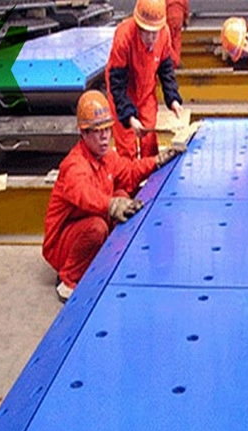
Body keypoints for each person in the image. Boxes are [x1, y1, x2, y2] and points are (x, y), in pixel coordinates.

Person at [43, 90, 181, 303]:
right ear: (84, 133)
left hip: (83, 227)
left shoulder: (106, 156)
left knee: (121, 193)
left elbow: (129, 171)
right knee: (97, 226)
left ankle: (104, 262)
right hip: (64, 242)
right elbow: (85, 195)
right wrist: (111, 204)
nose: (105, 136)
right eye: (98, 131)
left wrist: (156, 161)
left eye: (107, 129)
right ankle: (68, 280)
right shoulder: (74, 165)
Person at [106, 0, 183, 159]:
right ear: (137, 25)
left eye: (154, 32)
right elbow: (117, 85)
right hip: (124, 94)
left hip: (146, 93)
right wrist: (129, 117)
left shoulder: (164, 34)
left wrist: (173, 99)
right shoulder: (123, 37)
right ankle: (128, 182)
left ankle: (152, 181)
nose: (150, 37)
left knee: (149, 140)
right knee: (127, 147)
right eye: (146, 32)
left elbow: (166, 70)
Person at [166, 0, 190, 68]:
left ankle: (175, 61)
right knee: (176, 41)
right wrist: (186, 18)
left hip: (168, 17)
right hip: (179, 18)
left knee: (167, 42)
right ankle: (176, 61)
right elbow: (186, 5)